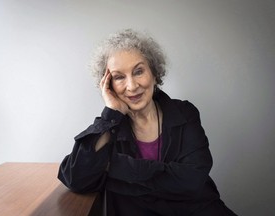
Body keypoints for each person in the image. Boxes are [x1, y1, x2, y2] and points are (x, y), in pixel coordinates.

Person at [58, 29, 238, 216]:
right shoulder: (108, 128)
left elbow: (193, 180)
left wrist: (112, 167)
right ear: (109, 85)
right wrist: (110, 114)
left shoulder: (185, 113)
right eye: (119, 77)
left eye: (138, 71)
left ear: (154, 73)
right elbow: (76, 178)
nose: (132, 86)